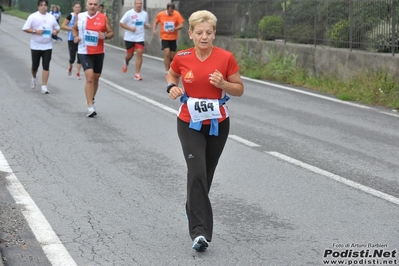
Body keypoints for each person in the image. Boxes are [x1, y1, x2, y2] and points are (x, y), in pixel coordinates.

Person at [165, 10, 244, 251]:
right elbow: (172, 73)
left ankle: (192, 206)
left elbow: (239, 89)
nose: (204, 37)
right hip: (189, 122)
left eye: (209, 32)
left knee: (206, 175)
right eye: (199, 32)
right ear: (190, 33)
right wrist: (172, 86)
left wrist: (224, 84)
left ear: (214, 34)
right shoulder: (182, 56)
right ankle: (200, 233)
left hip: (218, 124)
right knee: (196, 171)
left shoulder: (225, 58)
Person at [72, 0, 114, 117]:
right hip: (84, 51)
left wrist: (105, 35)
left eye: (95, 4)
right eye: (90, 4)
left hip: (99, 52)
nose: (92, 6)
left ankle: (91, 97)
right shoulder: (80, 17)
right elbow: (74, 28)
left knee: (96, 79)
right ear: (86, 5)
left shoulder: (103, 17)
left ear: (98, 6)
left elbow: (111, 33)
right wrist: (75, 36)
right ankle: (90, 106)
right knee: (89, 78)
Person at [22, 0, 60, 94]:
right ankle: (34, 77)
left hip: (47, 45)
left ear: (47, 6)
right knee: (35, 66)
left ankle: (44, 86)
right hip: (36, 44)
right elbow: (25, 28)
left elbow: (57, 27)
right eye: (41, 5)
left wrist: (55, 31)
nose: (43, 7)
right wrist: (35, 31)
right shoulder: (33, 16)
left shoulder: (51, 17)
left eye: (45, 5)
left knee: (46, 66)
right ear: (38, 6)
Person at [119, 0, 150, 80]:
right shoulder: (129, 13)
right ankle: (126, 62)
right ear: (134, 4)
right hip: (129, 37)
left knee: (139, 53)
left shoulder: (145, 14)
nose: (139, 5)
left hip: (140, 37)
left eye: (140, 4)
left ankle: (137, 74)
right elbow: (121, 23)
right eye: (137, 3)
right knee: (130, 55)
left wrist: (147, 26)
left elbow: (145, 24)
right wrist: (130, 28)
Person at [153, 3, 184, 74]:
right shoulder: (161, 14)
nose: (171, 13)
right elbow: (156, 22)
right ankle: (168, 71)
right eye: (170, 11)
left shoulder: (176, 14)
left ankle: (171, 68)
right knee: (167, 53)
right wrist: (154, 30)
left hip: (173, 38)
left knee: (172, 56)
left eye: (172, 11)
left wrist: (175, 28)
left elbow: (181, 25)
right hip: (164, 37)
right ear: (167, 9)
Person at [61, 1, 82, 79]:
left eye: (79, 7)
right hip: (71, 39)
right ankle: (70, 66)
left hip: (80, 39)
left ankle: (78, 73)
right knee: (72, 58)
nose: (77, 9)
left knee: (80, 56)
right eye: (76, 7)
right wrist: (72, 28)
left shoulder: (82, 16)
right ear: (73, 8)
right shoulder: (70, 16)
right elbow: (63, 25)